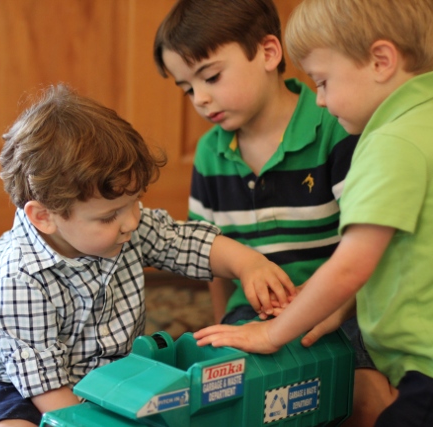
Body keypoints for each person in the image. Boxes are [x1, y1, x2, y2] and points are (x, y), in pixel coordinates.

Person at [0, 84, 293, 427]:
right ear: (44, 217)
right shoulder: (17, 277)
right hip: (17, 387)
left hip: (112, 373)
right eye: (108, 216)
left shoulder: (126, 226)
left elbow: (185, 242)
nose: (131, 220)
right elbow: (47, 388)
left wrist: (248, 263)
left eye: (135, 202)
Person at [194, 0, 433, 425]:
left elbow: (350, 267)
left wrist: (270, 333)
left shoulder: (388, 144)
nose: (320, 100)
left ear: (381, 61)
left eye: (323, 81)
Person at [153, 3, 379, 425]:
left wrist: (335, 311)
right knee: (225, 395)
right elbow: (212, 257)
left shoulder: (334, 126)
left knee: (365, 400)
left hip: (342, 310)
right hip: (254, 313)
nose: (200, 99)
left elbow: (367, 250)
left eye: (212, 77)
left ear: (269, 53)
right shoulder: (209, 154)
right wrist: (223, 323)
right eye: (187, 88)